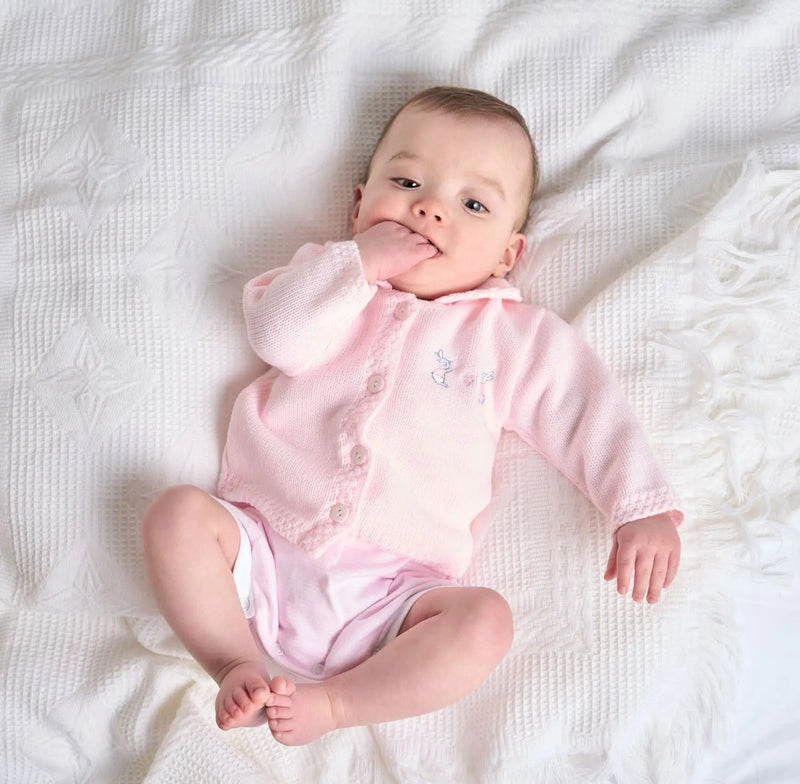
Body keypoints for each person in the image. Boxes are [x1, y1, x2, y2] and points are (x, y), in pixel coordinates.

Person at [142, 86, 683, 746]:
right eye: (406, 182)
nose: (430, 208)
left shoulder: (511, 337)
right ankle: (233, 662)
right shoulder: (330, 282)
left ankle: (335, 706)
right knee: (175, 515)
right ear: (358, 204)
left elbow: (582, 406)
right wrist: (359, 262)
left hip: (394, 594)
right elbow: (277, 337)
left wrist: (638, 504)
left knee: (485, 623)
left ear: (508, 254)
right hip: (261, 540)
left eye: (473, 203)